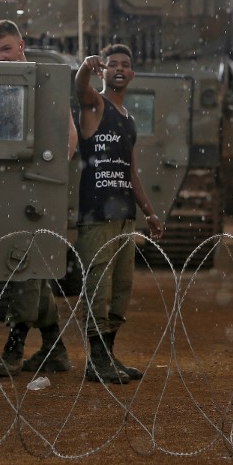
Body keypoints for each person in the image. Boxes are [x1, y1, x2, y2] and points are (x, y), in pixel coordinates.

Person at [0, 19, 77, 377]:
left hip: (36, 190)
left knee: (21, 270)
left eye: (6, 49)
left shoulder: (43, 81)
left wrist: (47, 179)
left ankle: (14, 348)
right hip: (7, 191)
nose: (0, 57)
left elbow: (69, 137)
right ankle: (55, 348)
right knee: (29, 269)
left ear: (21, 45)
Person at [75, 44, 164, 383]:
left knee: (120, 289)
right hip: (97, 214)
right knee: (98, 286)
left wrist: (149, 213)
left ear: (132, 74)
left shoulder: (129, 120)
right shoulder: (95, 106)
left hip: (125, 216)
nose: (119, 69)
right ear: (104, 71)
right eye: (112, 64)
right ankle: (96, 360)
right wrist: (85, 67)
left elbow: (131, 172)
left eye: (125, 65)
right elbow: (81, 90)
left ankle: (108, 353)